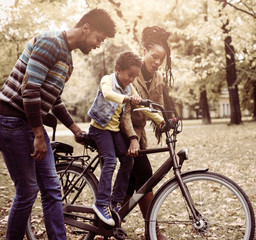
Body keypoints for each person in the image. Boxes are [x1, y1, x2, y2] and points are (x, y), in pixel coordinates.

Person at [0, 8, 116, 240]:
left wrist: (74, 128)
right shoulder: (50, 42)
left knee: (52, 190)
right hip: (11, 120)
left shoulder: (67, 58)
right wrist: (38, 135)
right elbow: (30, 89)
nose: (98, 45)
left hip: (29, 122)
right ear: (86, 28)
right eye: (98, 39)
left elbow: (53, 99)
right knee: (28, 190)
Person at [87, 52, 164, 226]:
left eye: (135, 76)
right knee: (110, 161)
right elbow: (107, 94)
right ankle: (101, 204)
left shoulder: (130, 87)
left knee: (129, 159)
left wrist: (162, 122)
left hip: (113, 130)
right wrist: (128, 98)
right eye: (129, 75)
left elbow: (143, 107)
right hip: (99, 129)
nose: (131, 80)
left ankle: (115, 202)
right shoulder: (108, 80)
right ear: (118, 69)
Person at [120, 26, 174, 240]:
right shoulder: (130, 72)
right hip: (123, 131)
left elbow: (157, 108)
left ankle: (112, 219)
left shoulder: (158, 78)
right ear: (144, 50)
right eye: (154, 57)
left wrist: (165, 124)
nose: (158, 62)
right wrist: (132, 138)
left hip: (140, 134)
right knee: (145, 176)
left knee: (132, 181)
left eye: (162, 59)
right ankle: (153, 230)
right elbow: (124, 112)